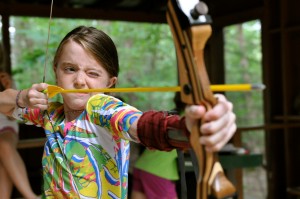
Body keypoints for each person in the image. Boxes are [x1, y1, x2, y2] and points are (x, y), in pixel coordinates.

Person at [0, 26, 236, 198]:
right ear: (56, 71)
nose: (80, 80)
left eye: (93, 74)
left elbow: (147, 126)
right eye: (70, 69)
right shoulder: (49, 113)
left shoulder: (102, 109)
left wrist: (193, 129)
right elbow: (4, 102)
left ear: (110, 83)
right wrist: (22, 97)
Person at [0, 72, 38, 199]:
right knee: (2, 161)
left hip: (4, 126)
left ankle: (30, 196)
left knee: (4, 145)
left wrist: (8, 87)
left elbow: (11, 116)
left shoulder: (4, 79)